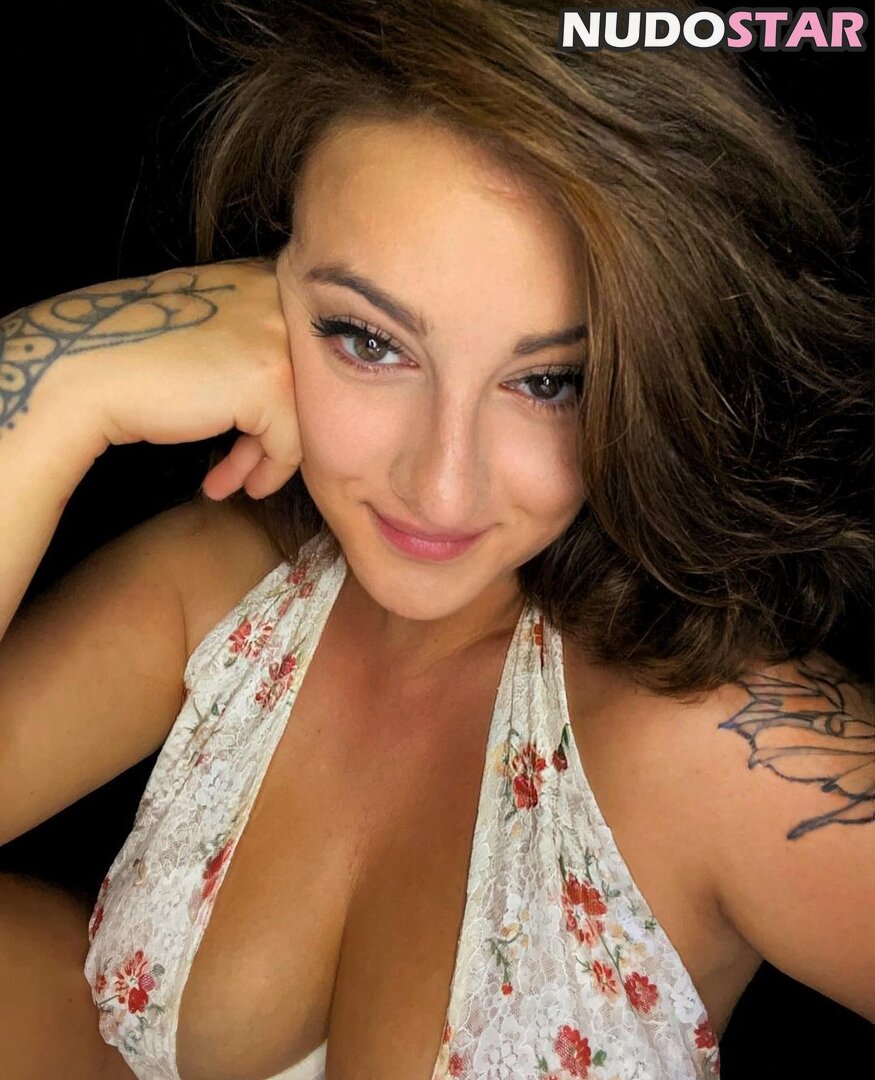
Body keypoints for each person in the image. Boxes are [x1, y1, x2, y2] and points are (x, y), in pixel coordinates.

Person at [0, 1, 872, 1078]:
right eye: (369, 342)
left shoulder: (724, 746)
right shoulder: (225, 594)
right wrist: (52, 383)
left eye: (549, 382)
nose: (441, 483)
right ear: (264, 296)